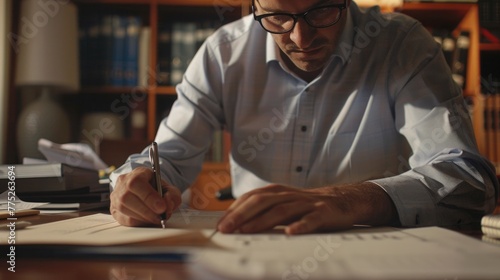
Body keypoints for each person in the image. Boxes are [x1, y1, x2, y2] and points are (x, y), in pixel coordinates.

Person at [109, 0, 499, 234]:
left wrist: (352, 201)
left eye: (322, 10)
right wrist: (139, 182)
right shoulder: (223, 54)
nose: (301, 38)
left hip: (375, 255)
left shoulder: (401, 45)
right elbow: (168, 158)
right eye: (277, 16)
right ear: (255, 5)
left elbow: (468, 180)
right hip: (252, 253)